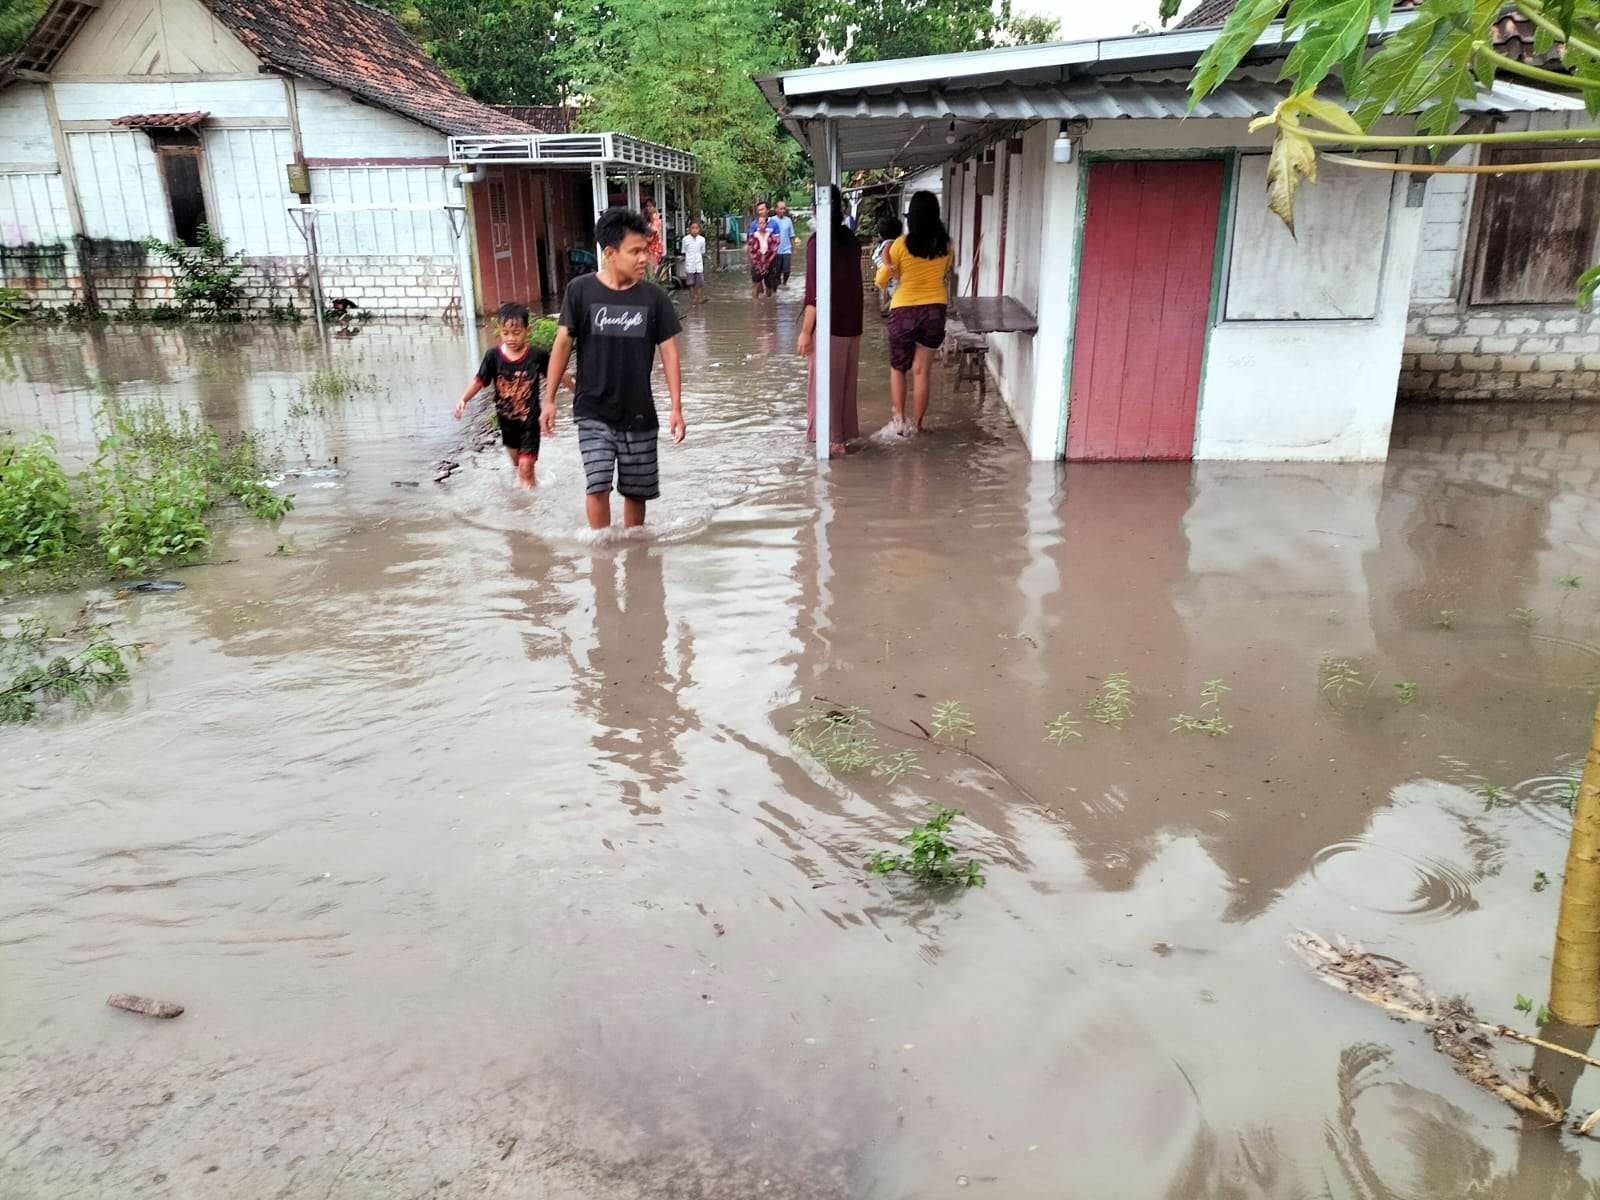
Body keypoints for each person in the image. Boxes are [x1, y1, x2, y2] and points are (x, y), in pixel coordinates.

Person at [543, 207, 685, 530]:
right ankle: (602, 562)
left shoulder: (655, 298)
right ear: (610, 253)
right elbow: (563, 344)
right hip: (592, 408)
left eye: (645, 251)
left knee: (636, 492)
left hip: (639, 413)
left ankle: (636, 560)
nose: (644, 259)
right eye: (635, 251)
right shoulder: (579, 292)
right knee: (598, 484)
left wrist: (676, 407)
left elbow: (670, 352)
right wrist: (549, 399)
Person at [874, 190, 953, 434]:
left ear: (912, 218)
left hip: (904, 310)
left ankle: (899, 423)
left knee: (898, 367)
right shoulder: (946, 245)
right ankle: (918, 426)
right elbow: (945, 272)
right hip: (935, 310)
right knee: (922, 371)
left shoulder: (899, 245)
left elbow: (881, 281)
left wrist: (890, 267)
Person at [453, 301, 548, 490]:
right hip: (507, 423)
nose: (511, 338)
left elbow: (557, 374)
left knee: (525, 468)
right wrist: (463, 399)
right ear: (500, 331)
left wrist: (578, 391)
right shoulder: (493, 357)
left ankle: (530, 511)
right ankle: (529, 491)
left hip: (530, 423)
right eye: (506, 333)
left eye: (516, 332)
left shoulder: (537, 356)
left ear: (527, 331)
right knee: (517, 467)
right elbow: (479, 381)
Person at [796, 185, 861, 457]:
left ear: (815, 210)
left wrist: (805, 331)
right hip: (852, 323)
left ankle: (833, 441)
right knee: (844, 384)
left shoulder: (818, 242)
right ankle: (841, 434)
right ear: (842, 209)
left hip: (829, 325)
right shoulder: (850, 239)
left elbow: (815, 292)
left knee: (825, 385)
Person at [871, 213, 903, 317]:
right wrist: (888, 265)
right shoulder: (891, 243)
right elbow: (884, 253)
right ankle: (888, 308)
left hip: (888, 273)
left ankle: (888, 309)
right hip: (889, 274)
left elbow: (885, 253)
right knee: (894, 292)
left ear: (881, 233)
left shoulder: (888, 243)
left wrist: (887, 265)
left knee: (894, 293)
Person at [747, 214, 779, 301]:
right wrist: (754, 263)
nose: (762, 225)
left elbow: (775, 250)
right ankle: (756, 306)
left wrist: (769, 261)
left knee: (769, 286)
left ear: (766, 224)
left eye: (763, 223)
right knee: (756, 286)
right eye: (760, 223)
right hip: (757, 264)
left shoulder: (771, 236)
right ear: (757, 225)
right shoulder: (753, 236)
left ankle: (768, 306)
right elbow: (750, 250)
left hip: (769, 265)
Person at [681, 219, 707, 305]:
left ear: (699, 229)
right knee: (691, 283)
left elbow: (702, 251)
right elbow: (684, 251)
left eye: (696, 228)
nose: (694, 230)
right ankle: (693, 300)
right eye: (693, 228)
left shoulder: (702, 240)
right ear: (689, 229)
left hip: (699, 264)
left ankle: (699, 299)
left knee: (699, 283)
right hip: (690, 264)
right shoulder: (685, 239)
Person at [771, 199, 796, 287]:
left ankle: (784, 283)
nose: (783, 211)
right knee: (777, 271)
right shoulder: (771, 221)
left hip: (787, 249)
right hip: (776, 251)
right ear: (776, 209)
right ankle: (777, 287)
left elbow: (792, 235)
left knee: (787, 270)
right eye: (781, 209)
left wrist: (794, 248)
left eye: (784, 209)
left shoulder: (788, 220)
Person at [640, 197, 665, 271]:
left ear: (654, 207)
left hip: (654, 248)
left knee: (651, 270)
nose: (648, 208)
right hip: (647, 248)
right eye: (647, 206)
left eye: (650, 206)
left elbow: (652, 234)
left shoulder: (655, 218)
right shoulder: (647, 219)